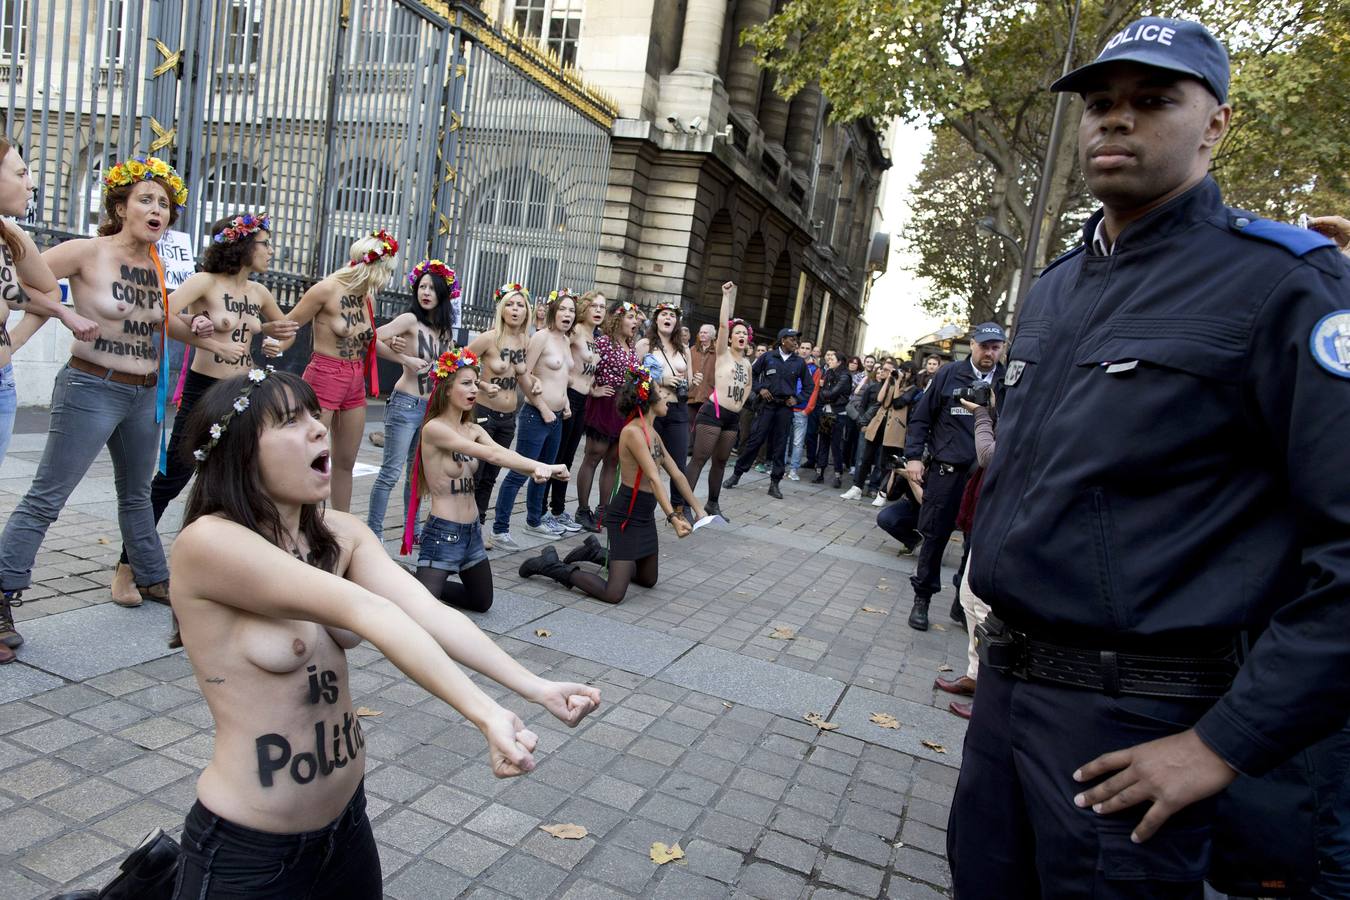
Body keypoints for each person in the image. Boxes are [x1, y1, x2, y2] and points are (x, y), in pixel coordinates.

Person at [949, 19, 1350, 898]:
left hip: (1142, 726)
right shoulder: (1056, 286)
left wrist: (1225, 742)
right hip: (1010, 702)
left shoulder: (1286, 282)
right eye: (1100, 104)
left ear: (1217, 124)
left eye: (1152, 101)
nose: (1115, 122)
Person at [165, 367, 597, 896]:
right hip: (249, 853)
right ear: (238, 452)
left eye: (311, 413)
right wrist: (485, 714)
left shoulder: (340, 535)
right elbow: (372, 613)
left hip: (347, 829)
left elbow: (426, 611)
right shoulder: (209, 544)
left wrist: (534, 687)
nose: (319, 428)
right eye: (289, 421)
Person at [0, 155, 217, 652]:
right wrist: (16, 341)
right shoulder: (86, 252)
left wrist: (201, 333)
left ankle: (151, 576)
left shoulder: (157, 266)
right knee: (47, 498)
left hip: (142, 397)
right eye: (145, 199)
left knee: (137, 493)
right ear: (121, 207)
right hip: (90, 388)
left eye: (164, 203)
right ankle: (2, 591)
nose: (156, 209)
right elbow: (27, 284)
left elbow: (161, 323)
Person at [108, 213, 294, 606]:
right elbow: (162, 312)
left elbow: (284, 330)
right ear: (242, 245)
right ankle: (129, 568)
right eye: (265, 242)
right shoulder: (206, 282)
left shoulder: (259, 292)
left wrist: (278, 344)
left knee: (238, 482)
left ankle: (218, 568)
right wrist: (199, 329)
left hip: (244, 392)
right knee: (174, 477)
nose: (271, 250)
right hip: (204, 392)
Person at [518, 364, 705, 604]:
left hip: (644, 513)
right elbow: (653, 477)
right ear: (647, 401)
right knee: (614, 593)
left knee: (649, 579)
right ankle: (550, 566)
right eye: (663, 393)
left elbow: (677, 473)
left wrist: (698, 510)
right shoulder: (634, 432)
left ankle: (596, 552)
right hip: (626, 514)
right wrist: (673, 518)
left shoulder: (653, 432)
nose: (669, 398)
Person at [403, 348, 568, 612]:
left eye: (475, 384)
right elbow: (491, 454)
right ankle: (409, 585)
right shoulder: (434, 429)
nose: (473, 390)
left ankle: (413, 583)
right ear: (446, 389)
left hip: (472, 535)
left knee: (481, 602)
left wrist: (539, 469)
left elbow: (503, 453)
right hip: (443, 533)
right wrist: (541, 466)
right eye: (466, 384)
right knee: (422, 612)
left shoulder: (474, 428)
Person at [283, 230, 398, 512]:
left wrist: (402, 355)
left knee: (345, 459)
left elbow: (368, 342)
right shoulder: (326, 289)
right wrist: (276, 344)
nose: (388, 280)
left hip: (354, 378)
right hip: (325, 373)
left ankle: (340, 523)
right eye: (388, 272)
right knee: (309, 454)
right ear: (375, 268)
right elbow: (290, 324)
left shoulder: (366, 298)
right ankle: (297, 516)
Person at [902, 323, 1004, 631]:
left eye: (996, 347)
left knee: (976, 544)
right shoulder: (948, 375)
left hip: (985, 476)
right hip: (947, 471)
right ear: (972, 345)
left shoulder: (1007, 381)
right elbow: (921, 418)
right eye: (985, 346)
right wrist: (914, 457)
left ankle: (962, 602)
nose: (990, 352)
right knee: (935, 537)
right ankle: (922, 599)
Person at [365, 258, 458, 540]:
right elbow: (371, 337)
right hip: (405, 404)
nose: (426, 292)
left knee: (416, 475)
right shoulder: (409, 320)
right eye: (422, 287)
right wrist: (403, 357)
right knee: (391, 472)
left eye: (432, 288)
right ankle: (374, 532)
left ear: (442, 294)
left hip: (431, 409)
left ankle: (412, 531)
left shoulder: (444, 331)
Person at [493, 290, 575, 546]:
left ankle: (534, 520)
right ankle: (499, 528)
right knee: (520, 472)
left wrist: (566, 403)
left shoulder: (565, 340)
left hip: (558, 417)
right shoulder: (541, 337)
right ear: (553, 311)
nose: (567, 315)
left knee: (546, 472)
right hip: (536, 416)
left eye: (572, 310)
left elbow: (561, 376)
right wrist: (542, 407)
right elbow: (523, 374)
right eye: (563, 309)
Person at [465, 283, 531, 533]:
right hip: (484, 413)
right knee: (476, 472)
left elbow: (524, 375)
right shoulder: (489, 338)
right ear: (502, 309)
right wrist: (480, 384)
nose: (515, 309)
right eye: (510, 305)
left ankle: (478, 526)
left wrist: (534, 387)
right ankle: (465, 524)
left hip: (508, 417)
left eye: (520, 305)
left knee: (491, 476)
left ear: (527, 310)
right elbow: (459, 363)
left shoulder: (526, 340)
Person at [684, 283, 752, 519]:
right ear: (730, 338)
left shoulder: (746, 363)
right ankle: (684, 505)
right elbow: (723, 324)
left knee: (721, 462)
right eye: (738, 333)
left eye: (745, 333)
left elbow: (748, 386)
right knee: (700, 459)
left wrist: (740, 405)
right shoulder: (723, 353)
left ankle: (713, 504)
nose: (741, 336)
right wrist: (726, 296)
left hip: (732, 418)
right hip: (713, 412)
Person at [572, 299, 638, 533]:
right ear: (619, 319)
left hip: (623, 408)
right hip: (604, 405)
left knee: (613, 460)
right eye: (630, 317)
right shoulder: (603, 343)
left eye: (636, 318)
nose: (635, 321)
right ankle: (582, 509)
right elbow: (583, 371)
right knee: (594, 456)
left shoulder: (632, 346)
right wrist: (593, 390)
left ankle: (603, 509)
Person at [723, 326, 810, 499]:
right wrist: (760, 388)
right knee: (755, 440)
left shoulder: (799, 362)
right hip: (767, 406)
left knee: (779, 445)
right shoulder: (768, 357)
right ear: (783, 340)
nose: (796, 343)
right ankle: (737, 474)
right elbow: (751, 375)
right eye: (792, 339)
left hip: (785, 408)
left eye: (796, 340)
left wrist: (798, 399)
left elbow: (809, 386)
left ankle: (775, 484)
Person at [546, 289, 606, 534]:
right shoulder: (576, 331)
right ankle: (541, 511)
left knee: (568, 458)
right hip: (567, 398)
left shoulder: (597, 336)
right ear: (585, 308)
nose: (599, 311)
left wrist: (594, 390)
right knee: (556, 456)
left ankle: (558, 510)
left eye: (603, 307)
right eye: (595, 306)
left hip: (584, 400)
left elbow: (587, 370)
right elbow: (557, 356)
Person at [636, 302, 695, 511]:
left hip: (677, 410)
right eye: (664, 314)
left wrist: (691, 381)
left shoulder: (684, 349)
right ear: (657, 319)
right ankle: (643, 505)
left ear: (676, 322)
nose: (668, 318)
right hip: (652, 409)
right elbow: (634, 377)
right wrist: (661, 380)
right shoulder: (644, 345)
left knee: (678, 461)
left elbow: (687, 382)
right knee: (649, 462)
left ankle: (678, 508)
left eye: (672, 315)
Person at [856, 362, 918, 505]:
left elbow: (898, 403)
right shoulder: (892, 382)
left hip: (895, 429)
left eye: (907, 372)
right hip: (880, 425)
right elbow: (881, 400)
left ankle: (882, 492)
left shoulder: (913, 389)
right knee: (866, 457)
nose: (903, 374)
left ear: (912, 374)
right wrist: (888, 381)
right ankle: (857, 487)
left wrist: (896, 384)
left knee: (885, 462)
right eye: (902, 370)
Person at [811, 350, 850, 485]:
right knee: (823, 443)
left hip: (838, 414)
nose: (829, 360)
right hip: (827, 412)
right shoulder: (828, 372)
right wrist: (825, 394)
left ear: (839, 362)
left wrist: (825, 393)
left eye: (832, 359)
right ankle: (819, 473)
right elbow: (822, 393)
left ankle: (838, 476)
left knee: (835, 446)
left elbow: (833, 393)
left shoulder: (845, 376)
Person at [784, 340, 821, 481]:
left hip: (802, 409)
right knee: (784, 439)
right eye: (802, 348)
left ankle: (793, 470)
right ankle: (780, 467)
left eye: (808, 348)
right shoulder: (791, 362)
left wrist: (808, 409)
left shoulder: (815, 370)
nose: (804, 350)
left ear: (811, 351)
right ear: (798, 349)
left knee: (798, 443)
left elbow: (815, 390)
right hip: (787, 408)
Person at [688, 321, 716, 438]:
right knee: (689, 422)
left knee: (702, 425)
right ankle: (688, 448)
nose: (702, 334)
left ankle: (698, 448)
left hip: (708, 394)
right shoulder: (692, 350)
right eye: (701, 332)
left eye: (705, 332)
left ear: (712, 336)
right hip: (691, 394)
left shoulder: (717, 352)